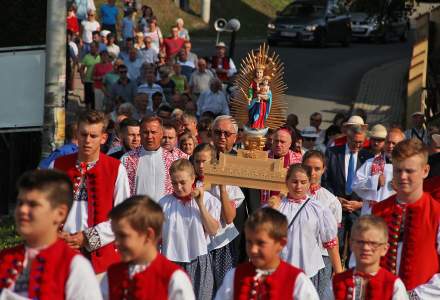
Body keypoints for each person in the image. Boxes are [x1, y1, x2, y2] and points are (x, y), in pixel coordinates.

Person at [0, 169, 102, 299]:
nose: (22, 210)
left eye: (33, 204)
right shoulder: (5, 258)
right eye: (20, 203)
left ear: (60, 213)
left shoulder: (75, 267)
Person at [52, 110, 130, 275]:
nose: (87, 140)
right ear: (77, 135)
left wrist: (87, 237)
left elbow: (122, 217)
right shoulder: (58, 166)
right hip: (61, 253)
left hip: (101, 259)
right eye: (83, 134)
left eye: (93, 136)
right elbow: (44, 209)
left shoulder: (116, 169)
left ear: (103, 138)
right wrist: (55, 234)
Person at [371, 139, 440, 298]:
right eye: (398, 170)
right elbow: (361, 259)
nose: (402, 176)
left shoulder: (436, 214)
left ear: (425, 170)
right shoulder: (378, 211)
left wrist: (414, 296)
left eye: (409, 171)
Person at [100, 195, 195, 300]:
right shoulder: (112, 275)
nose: (116, 242)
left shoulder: (174, 279)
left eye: (123, 235)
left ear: (148, 235)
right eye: (115, 235)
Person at [215, 207, 319, 299]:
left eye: (261, 243)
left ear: (281, 243)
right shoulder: (234, 276)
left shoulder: (298, 281)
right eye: (249, 242)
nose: (253, 249)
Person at [270, 164, 342, 296]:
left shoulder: (318, 208)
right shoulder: (277, 206)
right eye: (294, 182)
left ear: (309, 183)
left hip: (308, 270)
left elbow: (331, 243)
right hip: (279, 269)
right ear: (287, 182)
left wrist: (339, 274)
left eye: (303, 182)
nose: (298, 187)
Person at [159, 159, 220, 299]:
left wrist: (200, 204)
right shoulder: (163, 203)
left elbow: (213, 230)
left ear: (193, 178)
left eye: (182, 182)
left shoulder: (208, 200)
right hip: (171, 260)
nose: (178, 187)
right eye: (174, 183)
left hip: (198, 260)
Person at [192, 144, 245, 291]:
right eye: (197, 161)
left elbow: (229, 218)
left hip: (222, 244)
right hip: (199, 244)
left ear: (214, 162)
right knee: (202, 288)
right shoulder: (190, 182)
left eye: (205, 161)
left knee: (224, 288)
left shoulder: (227, 185)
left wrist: (222, 188)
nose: (201, 165)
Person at [322, 125, 373, 266]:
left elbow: (372, 186)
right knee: (334, 245)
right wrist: (335, 200)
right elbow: (325, 180)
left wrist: (360, 203)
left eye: (360, 142)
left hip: (357, 209)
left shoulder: (369, 158)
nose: (357, 145)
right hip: (337, 208)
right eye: (354, 141)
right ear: (347, 138)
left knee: (356, 246)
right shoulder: (332, 153)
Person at [332, 215, 408, 300]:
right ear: (351, 244)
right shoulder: (338, 282)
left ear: (384, 249)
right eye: (360, 242)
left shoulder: (393, 285)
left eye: (373, 244)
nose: (366, 248)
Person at [303, 150, 343, 299]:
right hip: (295, 257)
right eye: (308, 168)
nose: (312, 173)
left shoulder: (331, 201)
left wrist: (337, 270)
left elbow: (333, 240)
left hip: (321, 259)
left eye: (317, 169)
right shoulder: (290, 196)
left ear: (324, 170)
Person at [121, 116, 180, 200]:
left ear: (161, 134)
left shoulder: (173, 160)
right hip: (138, 211)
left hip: (165, 211)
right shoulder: (127, 159)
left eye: (153, 132)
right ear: (140, 133)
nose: (149, 136)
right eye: (145, 132)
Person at [352, 127, 405, 215]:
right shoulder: (370, 162)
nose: (390, 146)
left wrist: (400, 188)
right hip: (371, 214)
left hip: (395, 214)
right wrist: (374, 181)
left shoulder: (407, 166)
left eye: (394, 143)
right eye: (388, 142)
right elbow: (355, 185)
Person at [261, 128, 303, 204]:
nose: (278, 144)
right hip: (265, 203)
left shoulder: (299, 160)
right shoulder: (263, 157)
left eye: (282, 142)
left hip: (288, 203)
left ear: (290, 144)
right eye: (276, 141)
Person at [79, 41, 100, 109]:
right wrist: (82, 78)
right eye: (90, 47)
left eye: (93, 47)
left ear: (97, 48)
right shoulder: (86, 57)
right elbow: (81, 68)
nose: (91, 49)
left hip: (98, 82)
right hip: (88, 81)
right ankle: (87, 115)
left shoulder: (100, 57)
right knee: (88, 101)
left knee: (96, 101)